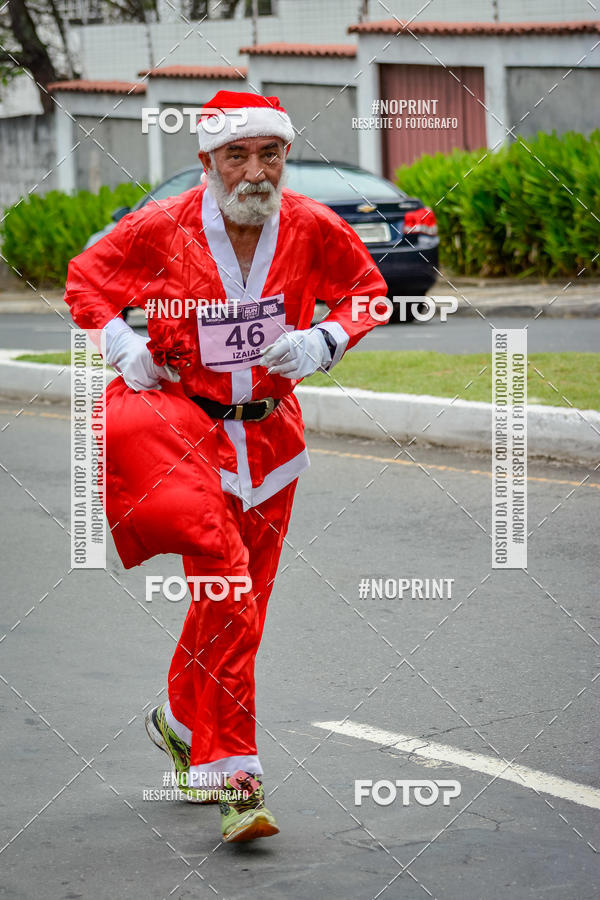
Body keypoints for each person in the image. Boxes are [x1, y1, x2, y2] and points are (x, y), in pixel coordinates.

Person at [64, 90, 388, 843]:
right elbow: (86, 281)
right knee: (231, 602)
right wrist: (124, 346)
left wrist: (324, 341)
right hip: (188, 440)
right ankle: (239, 782)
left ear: (284, 156)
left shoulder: (311, 225)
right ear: (206, 160)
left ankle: (179, 723)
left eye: (269, 154)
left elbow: (368, 295)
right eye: (237, 156)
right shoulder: (162, 226)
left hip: (273, 447)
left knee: (236, 607)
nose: (256, 171)